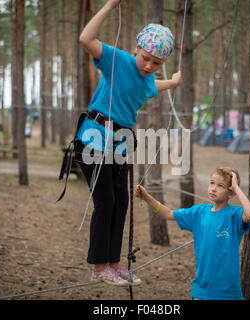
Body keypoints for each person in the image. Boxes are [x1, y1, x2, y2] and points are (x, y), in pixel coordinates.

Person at [73, 0, 181, 286]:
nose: (148, 66)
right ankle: (98, 267)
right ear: (137, 48)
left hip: (120, 142)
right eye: (145, 58)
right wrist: (110, 5)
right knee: (106, 201)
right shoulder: (116, 59)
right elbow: (86, 38)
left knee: (121, 202)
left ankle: (114, 264)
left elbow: (149, 87)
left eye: (156, 63)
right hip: (94, 137)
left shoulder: (149, 79)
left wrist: (171, 82)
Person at [136, 167, 250, 300]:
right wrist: (147, 197)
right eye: (212, 183)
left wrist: (236, 187)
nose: (214, 188)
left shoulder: (234, 214)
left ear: (231, 193)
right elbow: (169, 214)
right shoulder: (199, 212)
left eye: (220, 186)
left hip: (228, 290)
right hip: (201, 289)